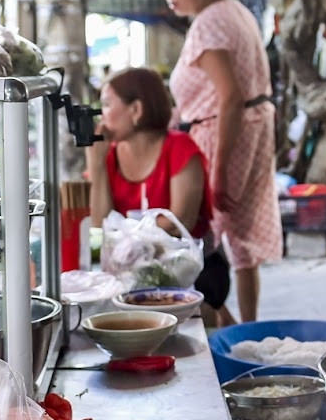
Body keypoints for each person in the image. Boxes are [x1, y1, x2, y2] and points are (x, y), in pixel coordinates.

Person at [162, 0, 282, 324]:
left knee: (206, 241)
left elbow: (229, 96)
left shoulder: (210, 24)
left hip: (225, 134)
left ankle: (227, 326)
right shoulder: (234, 11)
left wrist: (217, 174)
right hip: (252, 127)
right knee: (241, 244)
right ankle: (246, 329)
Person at [88, 67, 231, 317]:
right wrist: (96, 165)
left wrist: (126, 237)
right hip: (134, 274)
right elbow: (101, 223)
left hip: (192, 270)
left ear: (136, 110)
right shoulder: (109, 157)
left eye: (108, 105)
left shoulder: (179, 148)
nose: (102, 117)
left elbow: (179, 222)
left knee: (202, 318)